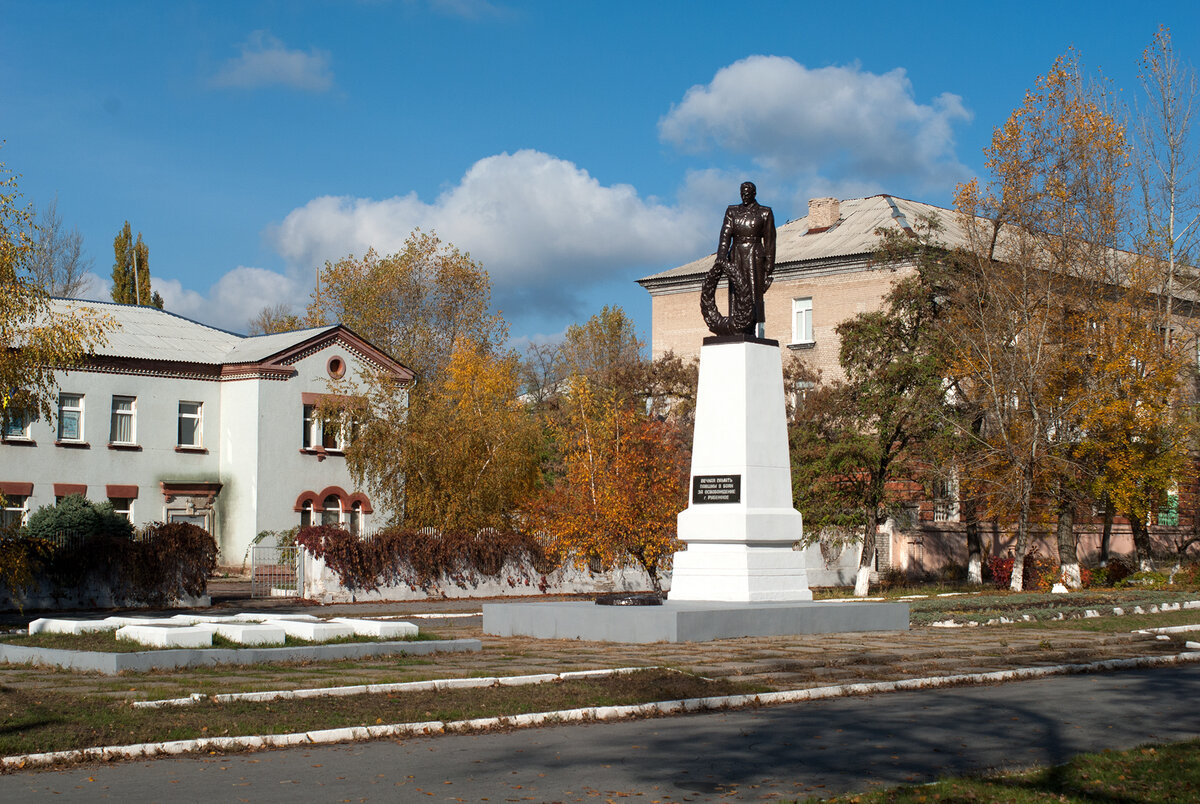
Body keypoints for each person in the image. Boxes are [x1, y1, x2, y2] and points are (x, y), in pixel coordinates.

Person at [717, 182, 776, 337]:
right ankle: (737, 324)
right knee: (737, 291)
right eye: (742, 193)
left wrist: (769, 264)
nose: (745, 196)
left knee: (754, 292)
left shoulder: (764, 213)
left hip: (755, 255)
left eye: (748, 193)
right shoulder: (732, 211)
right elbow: (725, 236)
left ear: (754, 193)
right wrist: (721, 257)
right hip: (736, 254)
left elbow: (770, 240)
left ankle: (752, 326)